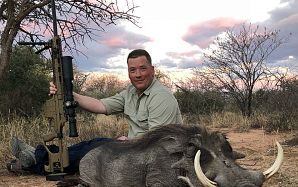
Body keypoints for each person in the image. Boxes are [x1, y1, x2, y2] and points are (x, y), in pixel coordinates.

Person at [8, 49, 183, 175]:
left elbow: (157, 141)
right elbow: (100, 105)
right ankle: (41, 157)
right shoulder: (130, 92)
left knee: (94, 151)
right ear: (128, 72)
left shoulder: (161, 97)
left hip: (153, 156)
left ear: (152, 70)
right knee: (93, 144)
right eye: (132, 70)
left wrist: (130, 141)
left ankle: (34, 161)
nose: (138, 74)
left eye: (143, 68)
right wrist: (68, 94)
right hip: (135, 149)